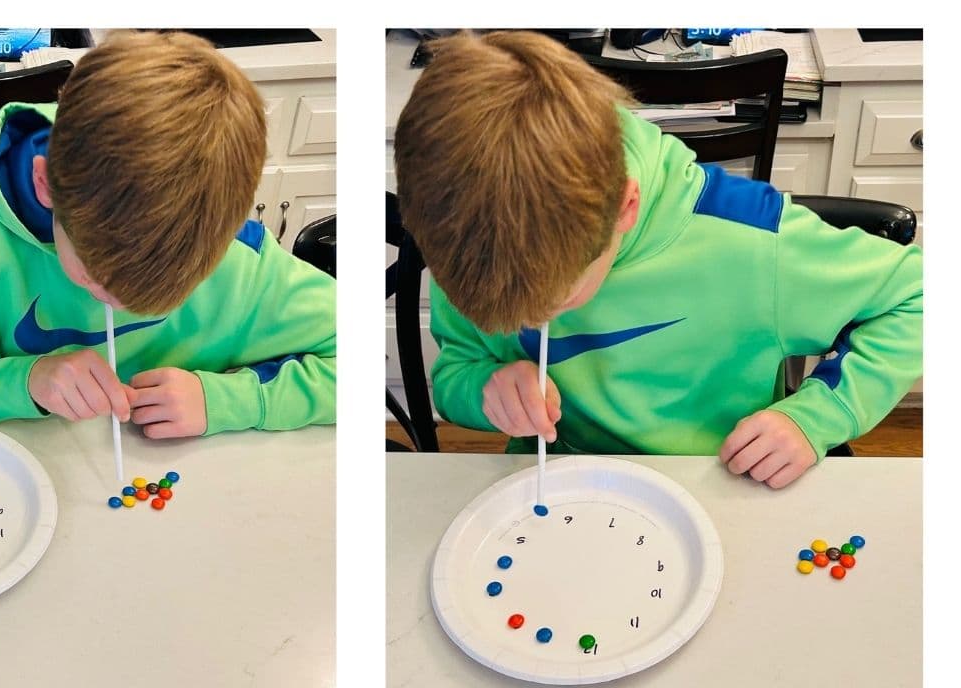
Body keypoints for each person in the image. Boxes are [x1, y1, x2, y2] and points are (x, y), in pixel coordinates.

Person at [394, 30, 921, 488]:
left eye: (557, 300)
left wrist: (819, 415)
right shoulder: (464, 236)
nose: (531, 323)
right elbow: (456, 373)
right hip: (556, 484)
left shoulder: (749, 241)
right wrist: (487, 391)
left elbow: (918, 297)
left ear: (625, 209)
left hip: (721, 480)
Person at [0, 31, 335, 438]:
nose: (117, 306)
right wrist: (26, 380)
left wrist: (223, 400)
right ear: (44, 185)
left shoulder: (236, 253)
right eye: (96, 279)